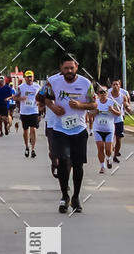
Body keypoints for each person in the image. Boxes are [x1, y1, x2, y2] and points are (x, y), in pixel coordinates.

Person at [45, 54, 95, 213]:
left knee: (78, 165)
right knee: (64, 160)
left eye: (72, 68)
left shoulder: (86, 83)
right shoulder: (53, 81)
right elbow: (45, 98)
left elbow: (94, 104)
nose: (69, 71)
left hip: (79, 129)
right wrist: (53, 108)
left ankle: (76, 197)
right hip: (60, 129)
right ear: (61, 68)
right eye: (66, 68)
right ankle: (64, 196)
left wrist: (81, 105)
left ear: (76, 68)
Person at [91, 85, 120, 173]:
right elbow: (89, 115)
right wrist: (94, 112)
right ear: (98, 94)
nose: (103, 93)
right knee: (100, 148)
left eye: (105, 92)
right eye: (101, 92)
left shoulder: (112, 102)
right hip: (98, 129)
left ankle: (108, 158)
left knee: (108, 150)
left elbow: (119, 113)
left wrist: (112, 110)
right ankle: (102, 166)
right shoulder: (95, 103)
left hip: (109, 129)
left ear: (107, 93)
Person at [15, 70, 40, 158]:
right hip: (24, 112)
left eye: (31, 77)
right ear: (25, 78)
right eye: (28, 77)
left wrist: (38, 101)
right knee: (25, 130)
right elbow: (14, 97)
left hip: (34, 111)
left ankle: (33, 149)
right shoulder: (21, 87)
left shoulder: (37, 86)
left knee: (33, 129)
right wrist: (21, 98)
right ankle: (26, 146)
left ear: (33, 77)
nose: (29, 78)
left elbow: (40, 97)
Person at [108, 78, 131, 164]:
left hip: (119, 119)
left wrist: (127, 108)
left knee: (118, 138)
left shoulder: (123, 96)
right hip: (109, 119)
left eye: (117, 84)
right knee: (110, 139)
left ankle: (115, 155)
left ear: (119, 86)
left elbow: (126, 106)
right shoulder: (108, 95)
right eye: (113, 84)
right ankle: (110, 153)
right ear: (111, 86)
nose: (115, 86)